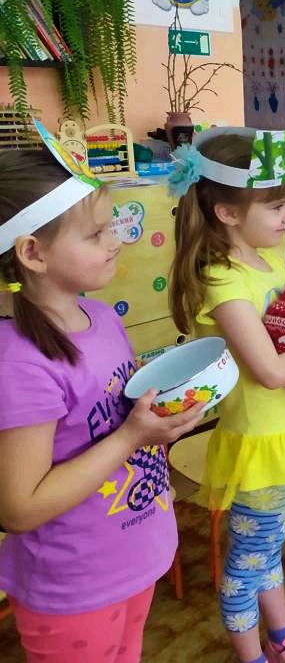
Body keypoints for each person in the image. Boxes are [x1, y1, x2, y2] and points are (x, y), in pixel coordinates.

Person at [0, 136, 203, 663]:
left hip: (132, 555)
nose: (116, 240)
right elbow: (20, 508)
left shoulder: (103, 317)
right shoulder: (20, 363)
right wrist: (134, 436)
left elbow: (118, 415)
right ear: (32, 253)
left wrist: (162, 420)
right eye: (95, 234)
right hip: (74, 586)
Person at [167, 113, 285, 663]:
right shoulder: (222, 279)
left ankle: (283, 640)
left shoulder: (264, 257)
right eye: (277, 206)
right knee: (247, 565)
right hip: (262, 441)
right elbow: (269, 369)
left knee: (266, 552)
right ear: (227, 213)